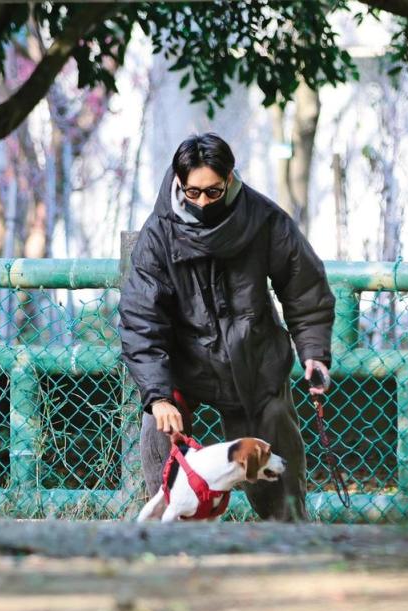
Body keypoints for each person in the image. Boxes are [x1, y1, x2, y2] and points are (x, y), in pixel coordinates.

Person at [118, 132, 335, 521]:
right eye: (193, 192)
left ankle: (288, 542)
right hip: (184, 368)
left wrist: (314, 353)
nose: (202, 202)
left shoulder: (265, 220)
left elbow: (305, 289)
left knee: (275, 464)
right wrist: (159, 394)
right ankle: (167, 540)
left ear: (231, 178)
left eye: (213, 192)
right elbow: (141, 318)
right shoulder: (158, 235)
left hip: (254, 363)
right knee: (159, 429)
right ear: (180, 184)